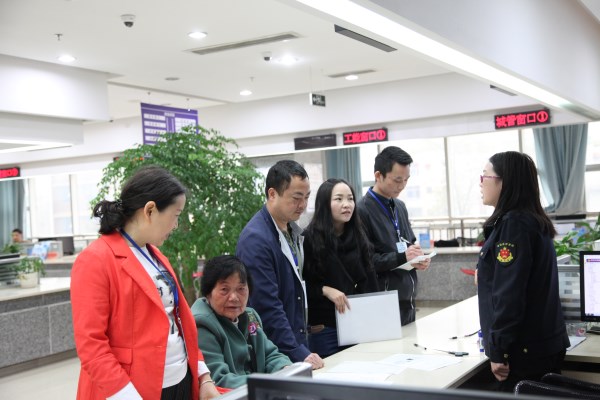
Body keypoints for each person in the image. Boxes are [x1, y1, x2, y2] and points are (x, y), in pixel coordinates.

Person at [70, 165, 220, 400]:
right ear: (150, 210)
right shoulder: (96, 260)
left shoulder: (156, 256)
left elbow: (179, 322)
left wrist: (203, 376)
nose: (176, 225)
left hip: (180, 380)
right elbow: (92, 346)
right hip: (133, 389)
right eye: (176, 215)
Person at [477, 151, 570, 392]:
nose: (481, 182)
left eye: (485, 176)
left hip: (523, 353)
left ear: (504, 182)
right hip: (540, 345)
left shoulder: (514, 225)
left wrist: (498, 349)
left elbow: (510, 293)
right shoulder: (530, 220)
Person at [236, 160, 324, 369]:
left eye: (306, 197)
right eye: (296, 198)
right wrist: (297, 352)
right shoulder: (256, 239)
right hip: (275, 353)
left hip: (294, 341)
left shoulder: (292, 231)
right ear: (272, 194)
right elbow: (267, 308)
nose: (303, 205)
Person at [302, 178, 379, 357]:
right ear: (324, 204)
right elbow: (301, 286)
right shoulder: (309, 239)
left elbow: (370, 280)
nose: (347, 204)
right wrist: (325, 290)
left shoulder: (359, 236)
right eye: (339, 199)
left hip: (358, 323)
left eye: (350, 199)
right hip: (325, 328)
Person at [192, 255, 292, 388]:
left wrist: (286, 369)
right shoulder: (202, 324)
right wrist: (269, 383)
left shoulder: (250, 316)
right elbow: (218, 379)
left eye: (241, 289)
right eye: (224, 290)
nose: (234, 297)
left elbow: (270, 355)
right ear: (208, 293)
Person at [356, 146, 430, 326]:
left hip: (407, 298)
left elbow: (409, 243)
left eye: (406, 180)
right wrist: (402, 257)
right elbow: (366, 262)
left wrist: (418, 257)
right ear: (378, 175)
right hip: (382, 300)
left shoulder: (400, 206)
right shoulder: (361, 210)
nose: (402, 185)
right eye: (397, 180)